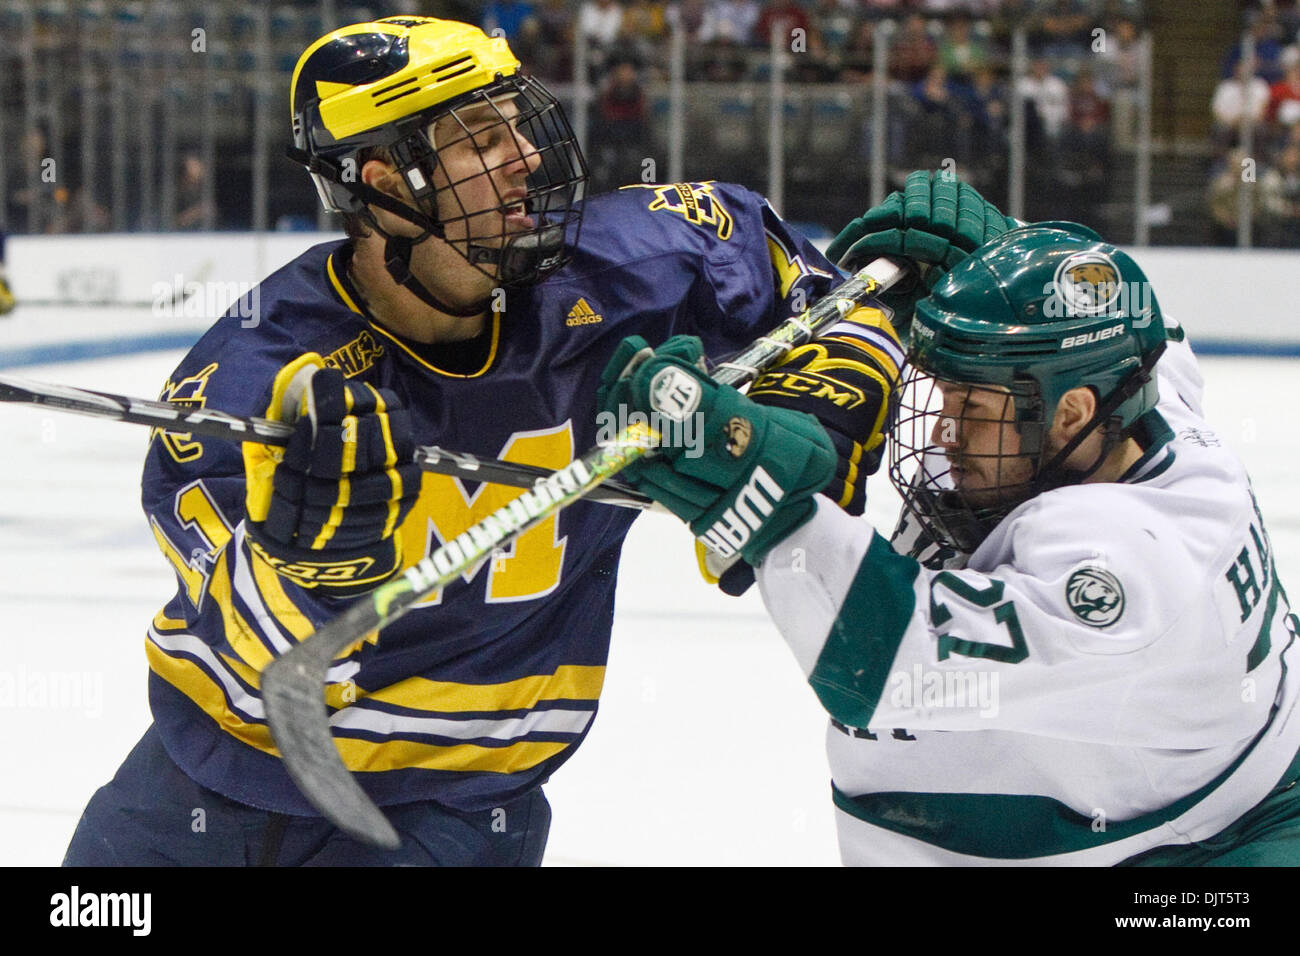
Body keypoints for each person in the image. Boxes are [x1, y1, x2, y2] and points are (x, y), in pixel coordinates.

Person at [62, 15, 858, 866]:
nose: (526, 156)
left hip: (455, 812)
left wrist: (819, 417)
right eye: (481, 139)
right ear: (384, 185)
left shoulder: (627, 269)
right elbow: (258, 650)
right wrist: (315, 567)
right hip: (200, 787)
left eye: (518, 121)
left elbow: (812, 282)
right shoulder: (253, 379)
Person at [598, 172, 1300, 865]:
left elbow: (889, 665)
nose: (941, 434)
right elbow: (1137, 318)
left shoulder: (1126, 579)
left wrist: (766, 507)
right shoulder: (1127, 400)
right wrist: (1001, 260)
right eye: (949, 395)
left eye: (976, 410)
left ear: (1073, 413)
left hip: (1196, 851)